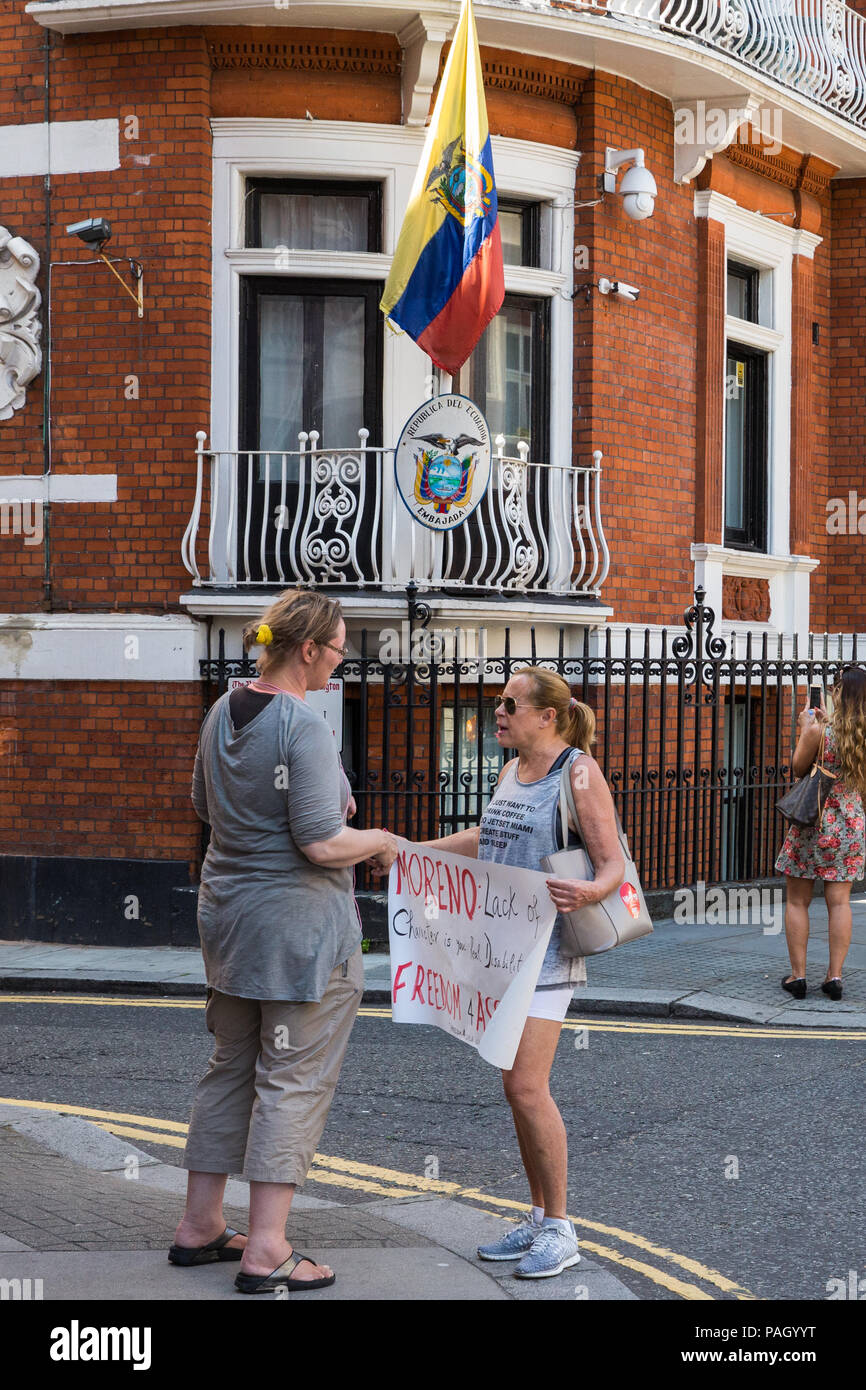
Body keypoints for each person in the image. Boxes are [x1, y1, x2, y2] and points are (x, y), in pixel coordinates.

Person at [169, 590, 396, 1294]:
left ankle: (200, 1225)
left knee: (229, 1067)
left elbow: (207, 807)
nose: (342, 662)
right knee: (292, 1083)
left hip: (228, 923)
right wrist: (382, 838)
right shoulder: (303, 723)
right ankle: (267, 1248)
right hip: (299, 935)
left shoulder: (222, 710)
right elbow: (322, 841)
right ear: (308, 649)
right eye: (338, 650)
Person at [424, 667, 624, 1278]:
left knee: (525, 1087)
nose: (499, 713)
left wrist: (590, 891)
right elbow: (489, 837)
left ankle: (561, 1228)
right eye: (497, 703)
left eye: (510, 704)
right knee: (513, 1089)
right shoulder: (512, 770)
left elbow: (614, 863)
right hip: (503, 948)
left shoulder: (579, 773)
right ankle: (538, 1218)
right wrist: (413, 851)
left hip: (551, 949)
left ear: (548, 715)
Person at [776, 665, 866, 1002]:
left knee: (798, 899)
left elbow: (799, 768)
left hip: (815, 823)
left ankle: (798, 976)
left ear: (839, 693)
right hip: (850, 823)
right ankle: (835, 976)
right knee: (840, 902)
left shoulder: (820, 731)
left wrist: (805, 728)